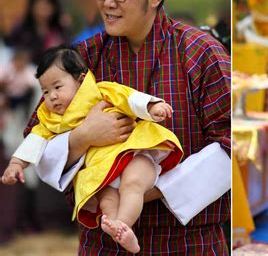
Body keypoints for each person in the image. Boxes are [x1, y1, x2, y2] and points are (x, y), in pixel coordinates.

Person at [24, 0, 231, 255]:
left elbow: (231, 145)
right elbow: (37, 135)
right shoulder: (83, 59)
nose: (107, 2)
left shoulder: (200, 52)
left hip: (188, 240)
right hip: (103, 242)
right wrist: (81, 137)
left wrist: (143, 189)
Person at [2, 46, 183, 253]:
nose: (51, 96)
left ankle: (124, 223)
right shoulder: (49, 117)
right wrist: (17, 163)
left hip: (132, 154)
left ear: (80, 79)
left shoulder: (102, 90)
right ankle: (119, 230)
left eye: (57, 87)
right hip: (99, 172)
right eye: (45, 91)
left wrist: (151, 107)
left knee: (132, 185)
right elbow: (35, 139)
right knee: (106, 200)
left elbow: (129, 97)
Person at [5, 0, 70, 65]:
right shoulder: (20, 31)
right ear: (31, 5)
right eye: (39, 2)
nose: (42, 7)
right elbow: (9, 54)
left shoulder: (60, 30)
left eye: (47, 2)